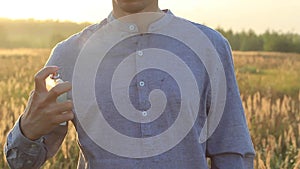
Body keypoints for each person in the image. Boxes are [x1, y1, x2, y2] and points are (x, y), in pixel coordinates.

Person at [4, 0, 255, 168]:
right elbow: (22, 162)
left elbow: (232, 151)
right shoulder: (69, 55)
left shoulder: (208, 45)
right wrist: (28, 130)